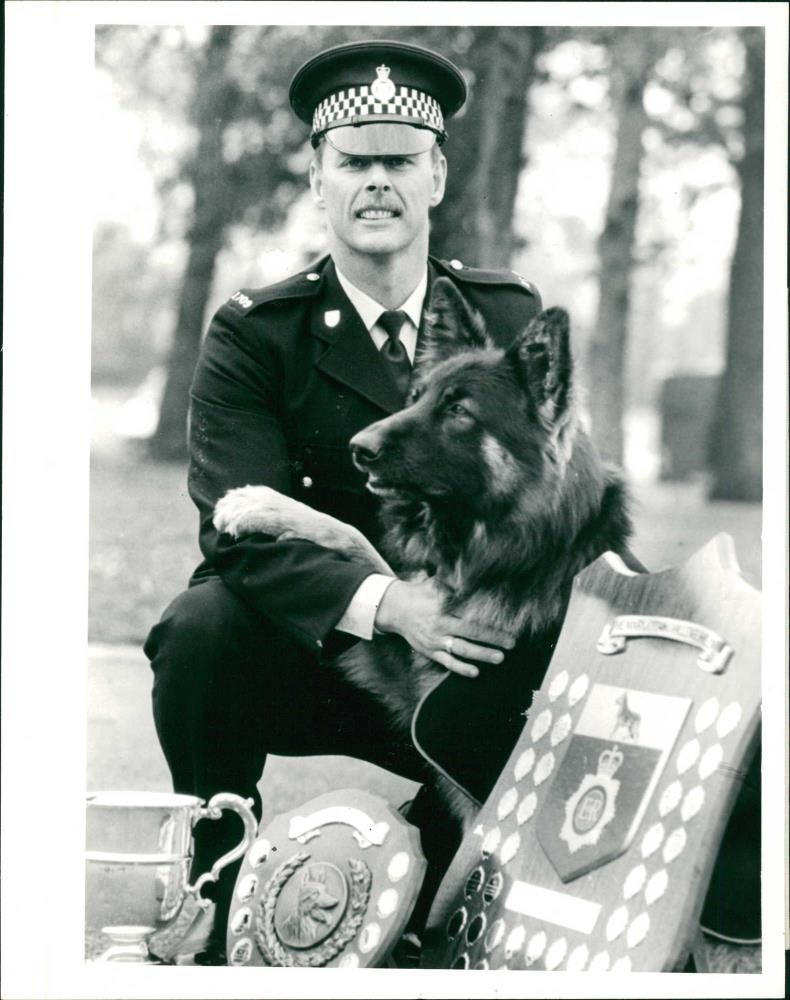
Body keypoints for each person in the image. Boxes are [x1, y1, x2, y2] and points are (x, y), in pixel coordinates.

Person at [144, 38, 543, 965]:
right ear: (318, 179)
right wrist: (390, 606)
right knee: (200, 627)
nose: (376, 183)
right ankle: (220, 877)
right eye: (353, 162)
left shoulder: (509, 320)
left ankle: (454, 882)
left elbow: (550, 507)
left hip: (464, 667)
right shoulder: (256, 334)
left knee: (437, 928)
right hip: (312, 652)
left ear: (436, 175)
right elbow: (237, 528)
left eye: (399, 161)